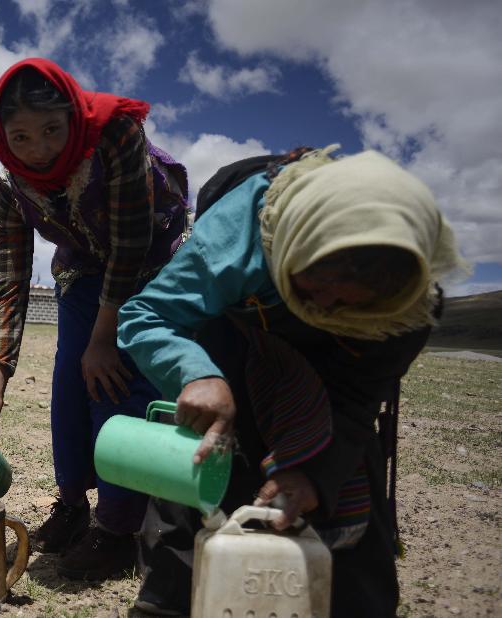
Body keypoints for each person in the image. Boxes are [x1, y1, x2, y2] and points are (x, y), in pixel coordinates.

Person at [116, 146, 468, 616]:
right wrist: (195, 372)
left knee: (344, 503)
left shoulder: (406, 309)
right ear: (289, 252)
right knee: (204, 465)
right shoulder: (244, 236)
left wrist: (313, 473)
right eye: (315, 288)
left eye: (350, 304)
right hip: (232, 337)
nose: (324, 310)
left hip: (334, 371)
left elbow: (357, 400)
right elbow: (147, 315)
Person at [0, 57, 191, 581]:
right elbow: (10, 281)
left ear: (73, 119)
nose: (38, 149)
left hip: (150, 259)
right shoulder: (13, 185)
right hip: (82, 266)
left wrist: (105, 338)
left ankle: (118, 530)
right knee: (69, 382)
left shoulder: (116, 135)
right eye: (19, 136)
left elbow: (132, 242)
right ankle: (71, 506)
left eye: (51, 130)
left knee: (114, 383)